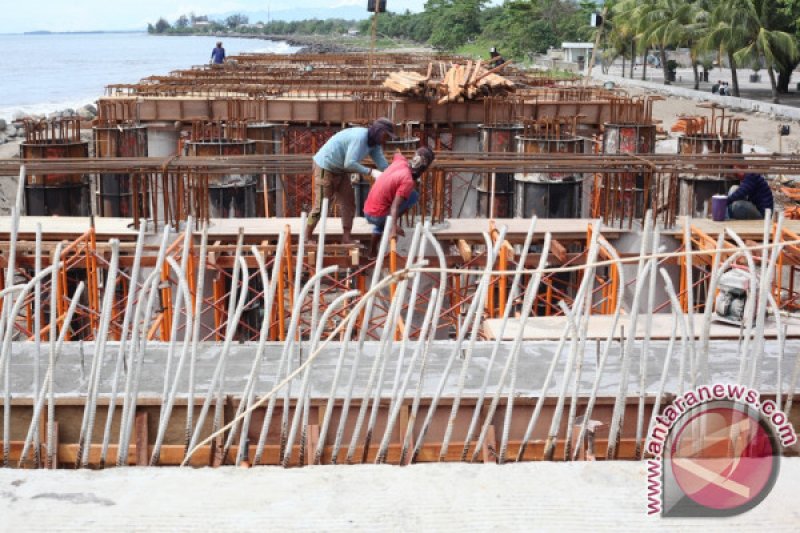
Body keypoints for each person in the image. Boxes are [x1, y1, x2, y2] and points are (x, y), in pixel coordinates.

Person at [306, 118, 396, 244]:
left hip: (340, 169)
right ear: (378, 131)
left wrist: (394, 175)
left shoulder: (374, 144)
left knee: (348, 202)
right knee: (321, 206)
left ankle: (346, 237)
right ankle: (307, 237)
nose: (386, 139)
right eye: (386, 135)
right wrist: (370, 172)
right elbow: (349, 163)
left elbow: (382, 163)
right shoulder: (360, 138)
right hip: (325, 167)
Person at [364, 147, 435, 257]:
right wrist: (393, 229)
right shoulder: (407, 181)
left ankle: (373, 249)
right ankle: (388, 224)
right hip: (376, 216)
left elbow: (396, 153)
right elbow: (394, 206)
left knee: (395, 200)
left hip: (367, 210)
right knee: (414, 196)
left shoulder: (400, 160)